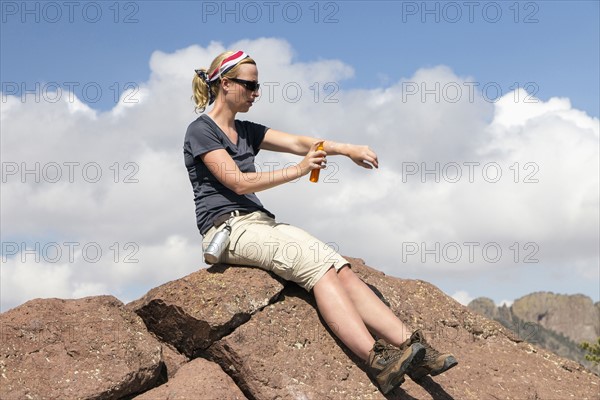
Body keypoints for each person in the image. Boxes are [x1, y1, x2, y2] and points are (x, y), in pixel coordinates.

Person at [183, 50, 457, 394]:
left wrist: (348, 148)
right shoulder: (201, 131)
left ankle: (413, 349)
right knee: (316, 268)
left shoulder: (245, 130)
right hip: (226, 229)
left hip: (257, 223)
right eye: (251, 85)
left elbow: (299, 142)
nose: (257, 93)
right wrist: (299, 170)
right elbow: (236, 181)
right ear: (225, 84)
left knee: (337, 265)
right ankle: (377, 360)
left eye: (258, 85)